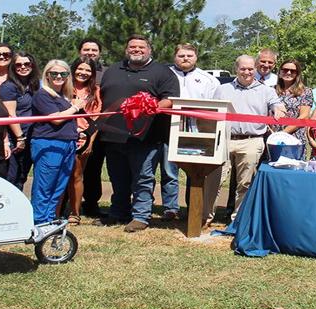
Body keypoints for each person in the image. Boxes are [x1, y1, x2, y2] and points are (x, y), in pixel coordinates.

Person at [97, 35, 179, 232]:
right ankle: (118, 212)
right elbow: (101, 96)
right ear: (126, 49)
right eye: (132, 47)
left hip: (146, 137)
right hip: (113, 135)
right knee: (117, 177)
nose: (136, 50)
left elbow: (171, 98)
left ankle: (140, 216)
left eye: (141, 47)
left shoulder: (162, 72)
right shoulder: (113, 70)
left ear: (149, 50)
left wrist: (151, 108)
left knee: (143, 177)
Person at [218, 55, 285, 222]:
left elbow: (278, 105)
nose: (246, 72)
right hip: (224, 140)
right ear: (236, 69)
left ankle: (238, 219)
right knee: (215, 180)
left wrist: (278, 110)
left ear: (255, 69)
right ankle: (206, 217)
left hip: (252, 140)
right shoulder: (222, 89)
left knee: (244, 183)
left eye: (250, 69)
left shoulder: (266, 90)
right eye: (243, 69)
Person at [168, 43, 224, 224]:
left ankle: (192, 210)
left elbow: (216, 107)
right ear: (175, 57)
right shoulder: (165, 75)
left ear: (196, 58)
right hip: (167, 128)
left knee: (195, 172)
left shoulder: (208, 79)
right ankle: (170, 208)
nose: (185, 58)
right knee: (169, 171)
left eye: (189, 56)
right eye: (181, 55)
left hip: (197, 131)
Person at [29, 60, 85, 225]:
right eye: (54, 73)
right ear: (47, 75)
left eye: (63, 73)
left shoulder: (63, 96)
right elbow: (56, 119)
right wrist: (76, 107)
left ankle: (50, 218)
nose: (59, 77)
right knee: (45, 185)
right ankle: (38, 220)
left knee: (59, 185)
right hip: (49, 144)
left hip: (67, 144)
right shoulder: (42, 94)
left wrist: (76, 131)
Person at [61, 58, 101, 226]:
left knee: (76, 176)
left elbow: (97, 120)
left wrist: (90, 143)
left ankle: (74, 213)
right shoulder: (63, 86)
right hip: (61, 135)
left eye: (87, 70)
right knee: (59, 175)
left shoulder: (96, 91)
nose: (83, 73)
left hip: (82, 138)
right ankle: (55, 211)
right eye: (80, 69)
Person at [77, 38, 106, 216]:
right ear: (80, 51)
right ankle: (69, 203)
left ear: (99, 53)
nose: (90, 52)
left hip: (98, 127)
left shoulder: (108, 73)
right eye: (86, 49)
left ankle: (92, 203)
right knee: (72, 170)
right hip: (74, 129)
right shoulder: (72, 71)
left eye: (94, 50)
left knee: (94, 167)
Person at [0, 52, 36, 190]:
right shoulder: (9, 87)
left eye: (27, 64)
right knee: (11, 176)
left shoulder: (34, 85)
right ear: (13, 67)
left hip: (31, 137)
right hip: (15, 138)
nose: (23, 67)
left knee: (22, 176)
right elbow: (10, 114)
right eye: (18, 64)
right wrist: (20, 138)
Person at [274, 59, 314, 160]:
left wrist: (283, 133)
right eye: (285, 69)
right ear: (279, 72)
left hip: (294, 138)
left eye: (293, 71)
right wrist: (274, 135)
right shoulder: (271, 90)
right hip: (273, 137)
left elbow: (304, 116)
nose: (288, 72)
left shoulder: (306, 92)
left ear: (297, 74)